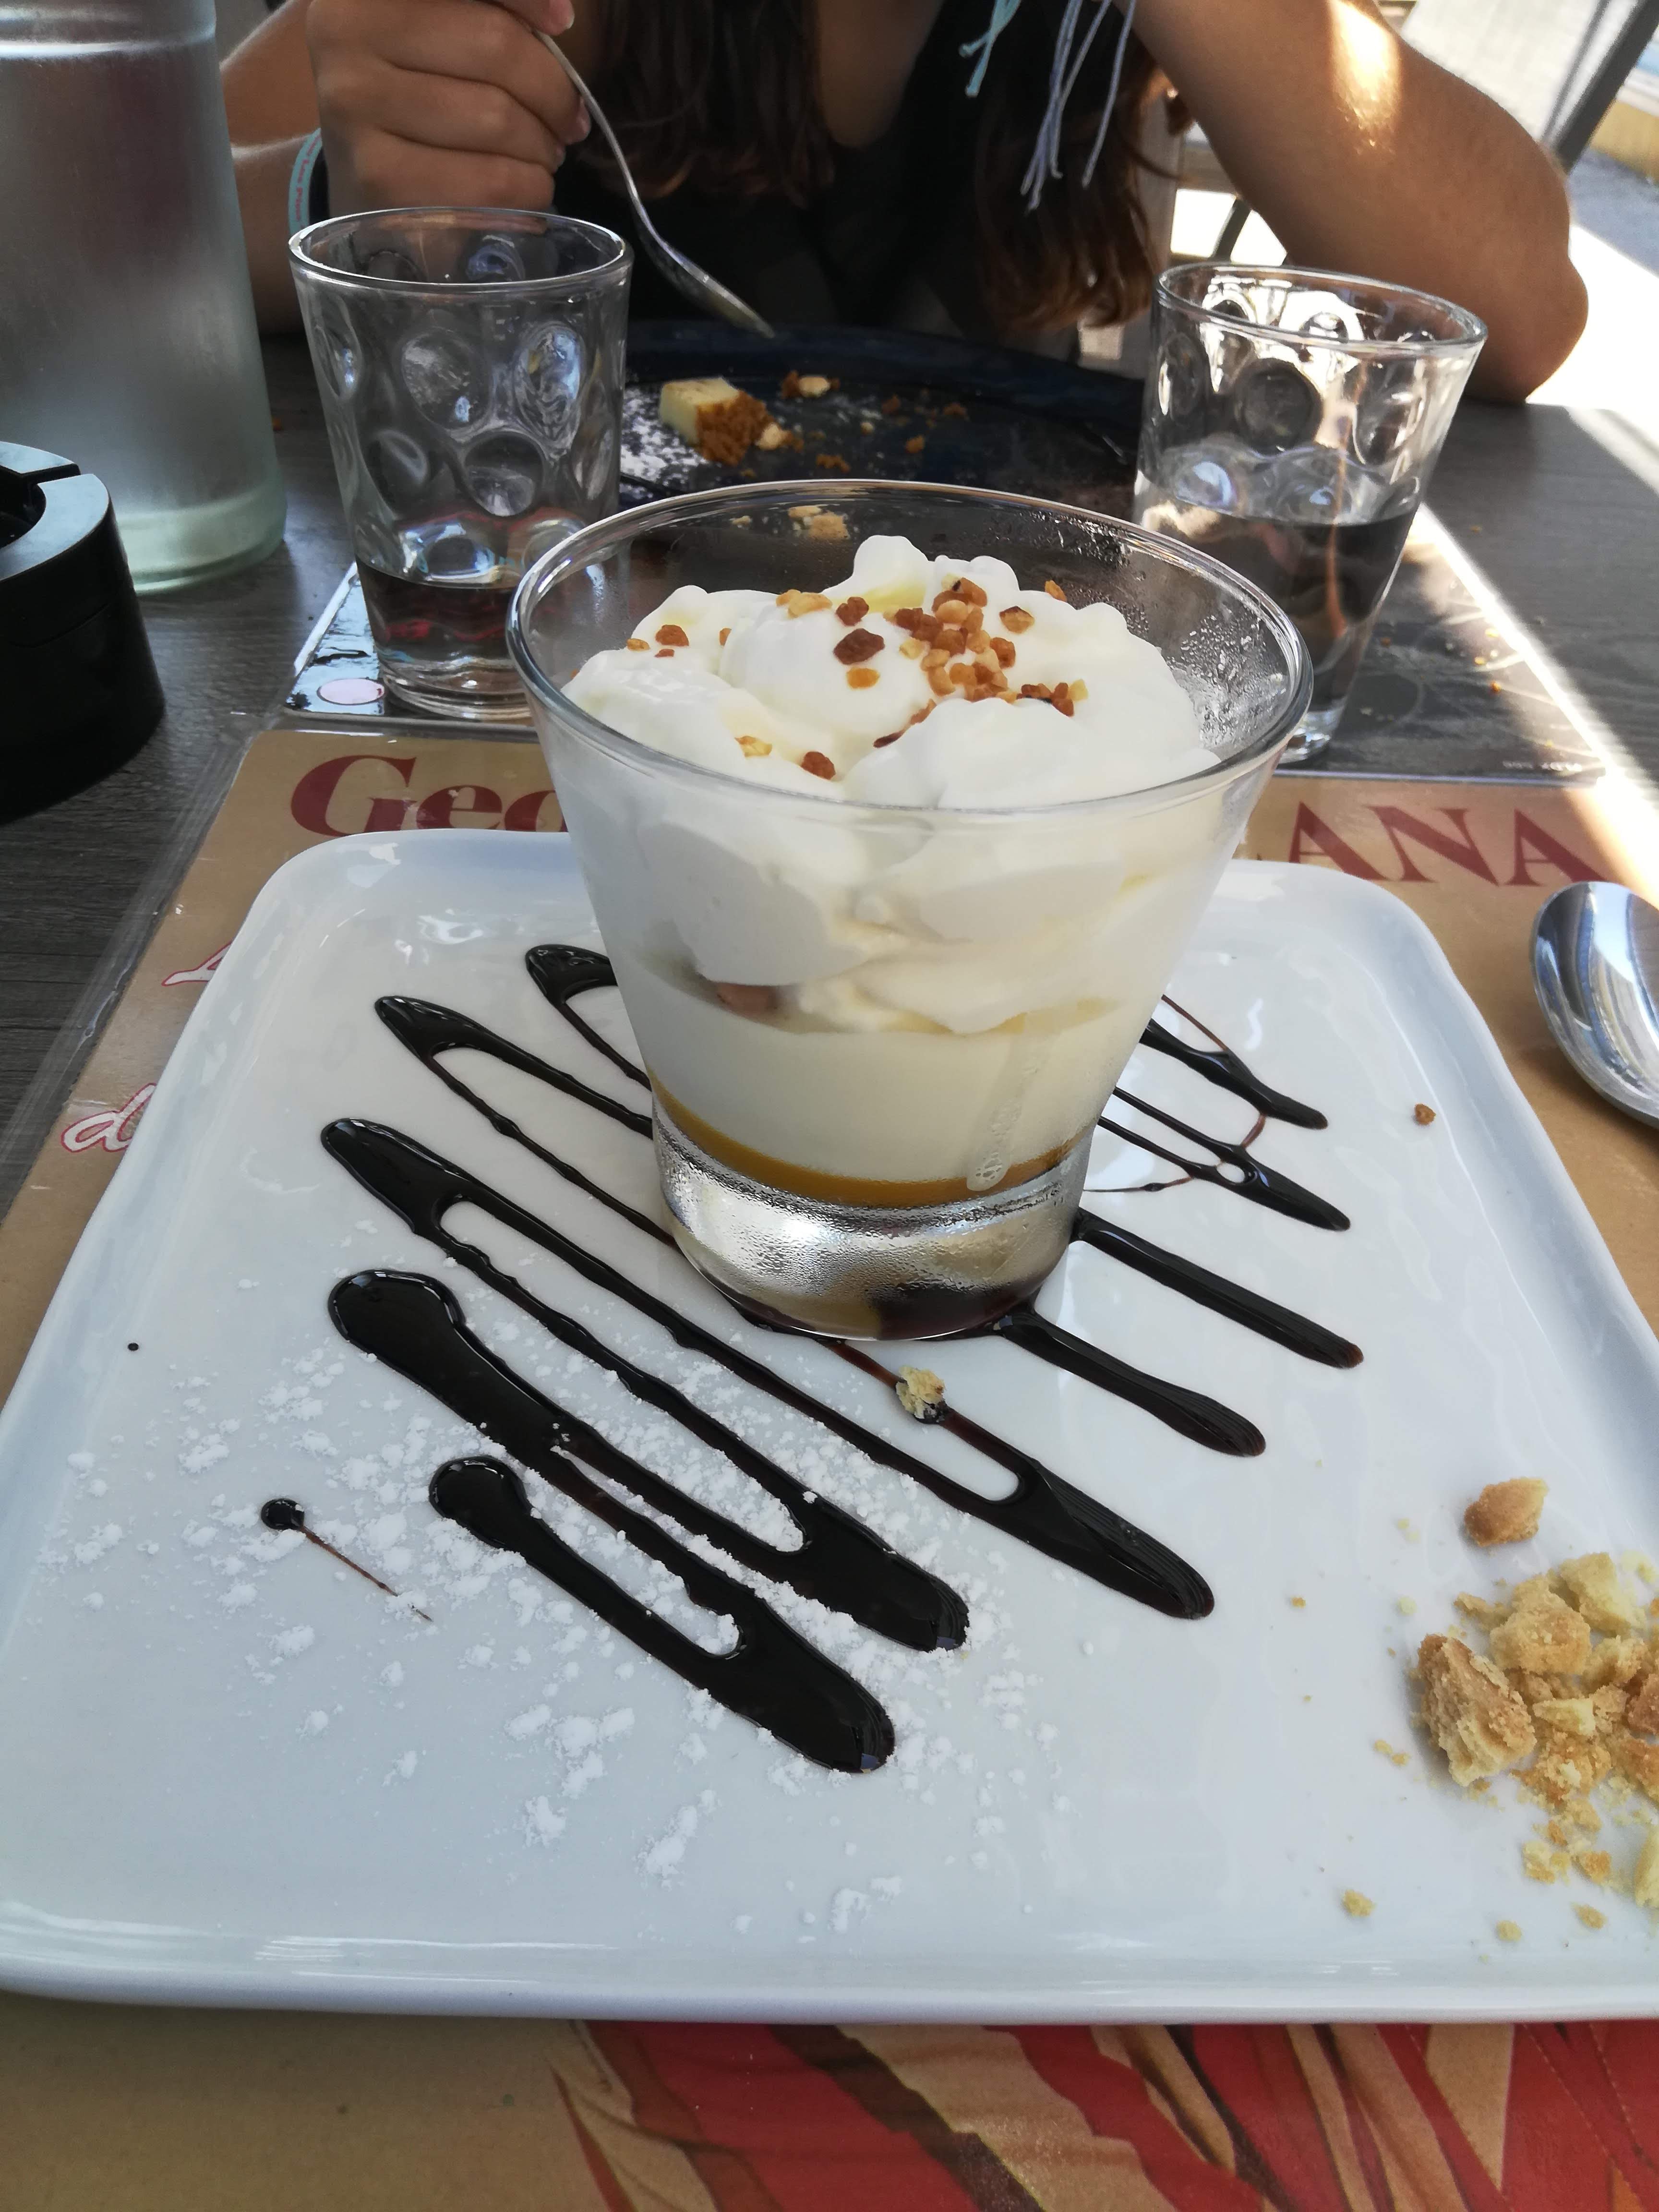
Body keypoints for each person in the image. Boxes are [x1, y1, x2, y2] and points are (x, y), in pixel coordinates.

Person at [223, 0, 1586, 400]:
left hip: (993, 674)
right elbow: (144, 243)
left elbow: (1516, 315)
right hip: (582, 663)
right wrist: (355, 208)